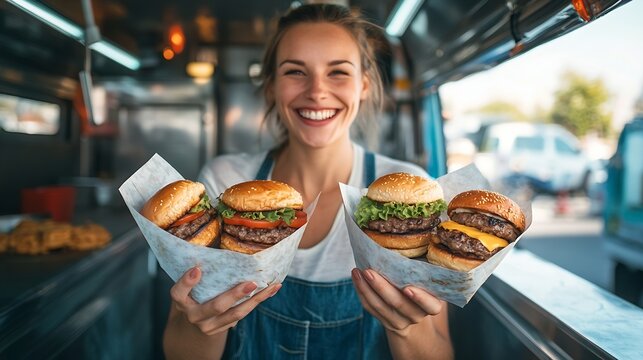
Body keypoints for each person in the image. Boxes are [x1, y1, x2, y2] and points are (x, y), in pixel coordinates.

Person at [163, 3, 453, 359]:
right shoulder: (223, 181)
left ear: (363, 85)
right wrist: (197, 324)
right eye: (295, 72)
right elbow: (179, 351)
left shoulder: (414, 197)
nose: (316, 91)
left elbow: (441, 351)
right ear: (271, 87)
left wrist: (406, 329)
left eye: (338, 72)